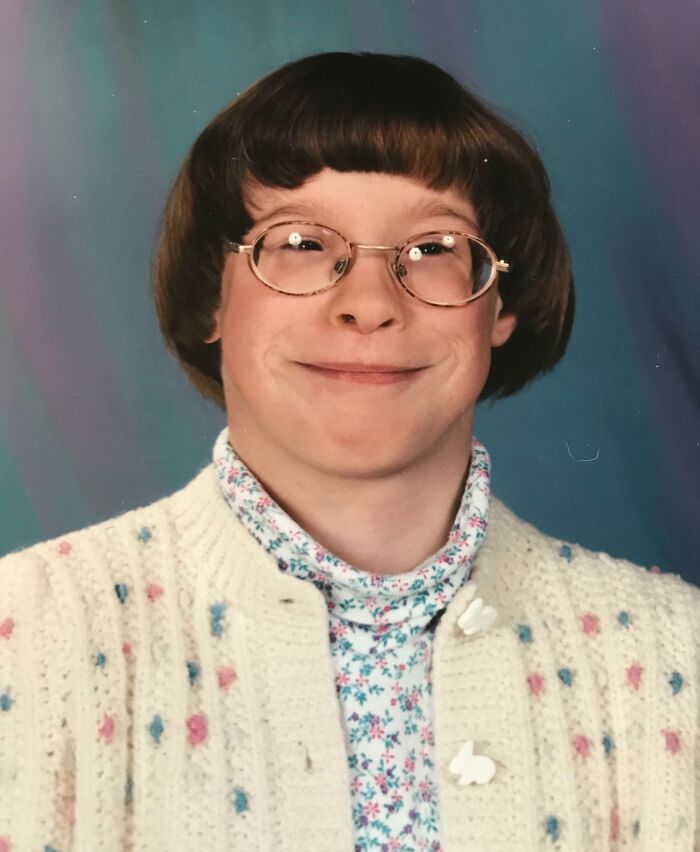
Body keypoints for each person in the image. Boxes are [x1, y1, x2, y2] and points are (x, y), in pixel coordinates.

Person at [0, 52, 697, 852]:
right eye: (298, 241)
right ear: (209, 294)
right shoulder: (25, 634)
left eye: (435, 248)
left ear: (500, 306)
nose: (369, 305)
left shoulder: (674, 658)